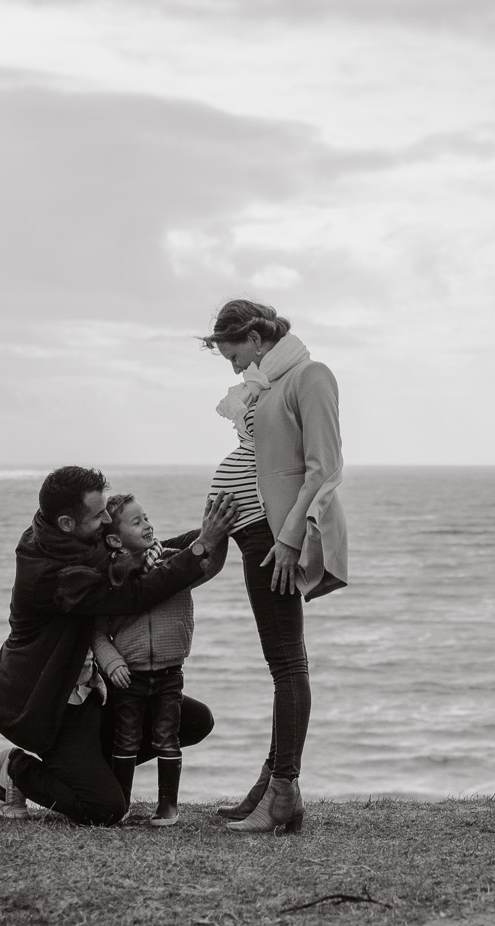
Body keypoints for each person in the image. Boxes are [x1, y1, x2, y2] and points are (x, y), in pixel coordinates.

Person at [0, 466, 236, 825]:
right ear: (67, 522)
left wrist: (215, 531)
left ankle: (87, 770)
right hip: (55, 705)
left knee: (193, 721)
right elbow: (136, 595)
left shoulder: (74, 540)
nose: (108, 519)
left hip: (94, 692)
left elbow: (145, 549)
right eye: (99, 515)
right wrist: (203, 543)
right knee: (104, 810)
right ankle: (16, 767)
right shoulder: (53, 576)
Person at [203, 299, 347, 834]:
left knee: (288, 664)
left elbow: (324, 468)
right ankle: (271, 785)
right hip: (251, 533)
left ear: (257, 338)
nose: (231, 364)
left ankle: (282, 792)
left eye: (233, 351)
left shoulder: (310, 376)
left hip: (273, 537)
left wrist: (289, 540)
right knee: (280, 663)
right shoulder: (265, 385)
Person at [91, 492, 221, 827]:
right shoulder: (111, 579)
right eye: (137, 522)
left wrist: (215, 532)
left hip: (169, 673)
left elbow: (210, 564)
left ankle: (168, 807)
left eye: (146, 518)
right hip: (128, 677)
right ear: (116, 539)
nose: (147, 525)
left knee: (168, 737)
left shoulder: (174, 562)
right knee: (127, 738)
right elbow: (97, 632)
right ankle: (119, 804)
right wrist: (112, 662)